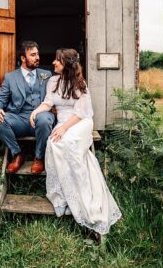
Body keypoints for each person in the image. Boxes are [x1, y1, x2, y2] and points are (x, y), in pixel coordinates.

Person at [29, 48, 121, 236]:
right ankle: (61, 198)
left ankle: (78, 200)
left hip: (80, 122)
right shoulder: (53, 82)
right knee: (54, 144)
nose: (54, 63)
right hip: (63, 121)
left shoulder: (80, 84)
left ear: (67, 65)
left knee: (68, 143)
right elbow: (48, 103)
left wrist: (64, 128)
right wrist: (35, 112)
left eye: (58, 61)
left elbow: (81, 113)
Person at [0, 40, 55, 174]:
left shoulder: (47, 74)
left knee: (44, 119)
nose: (37, 57)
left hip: (41, 117)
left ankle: (39, 157)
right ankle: (17, 154)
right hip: (19, 119)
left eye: (37, 54)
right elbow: (0, 99)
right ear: (23, 58)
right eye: (33, 55)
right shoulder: (10, 78)